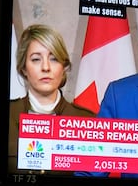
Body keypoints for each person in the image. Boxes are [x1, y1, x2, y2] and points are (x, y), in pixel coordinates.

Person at [8, 23, 95, 172]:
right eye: (36, 59)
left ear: (64, 66)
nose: (46, 67)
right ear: (23, 68)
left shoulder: (88, 121)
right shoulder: (6, 114)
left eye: (54, 58)